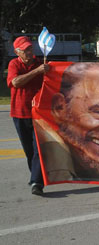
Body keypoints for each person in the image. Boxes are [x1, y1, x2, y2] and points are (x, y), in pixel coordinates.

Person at [7, 36, 49, 195]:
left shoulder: (41, 64)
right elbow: (16, 82)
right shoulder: (14, 64)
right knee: (29, 151)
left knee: (38, 149)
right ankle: (37, 176)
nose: (29, 52)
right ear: (17, 52)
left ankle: (37, 182)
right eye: (25, 50)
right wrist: (37, 71)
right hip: (19, 114)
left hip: (39, 114)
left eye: (30, 49)